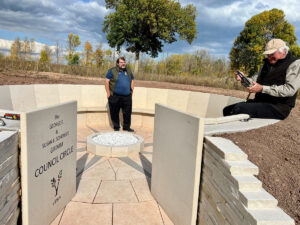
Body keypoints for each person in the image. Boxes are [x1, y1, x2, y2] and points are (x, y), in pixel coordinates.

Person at [223, 38, 300, 120]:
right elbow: (254, 81)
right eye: (267, 54)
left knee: (238, 109)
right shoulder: (266, 63)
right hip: (261, 102)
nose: (269, 57)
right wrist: (243, 79)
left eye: (272, 54)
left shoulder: (295, 63)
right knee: (227, 110)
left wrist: (262, 88)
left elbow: (290, 90)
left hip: (279, 107)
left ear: (284, 51)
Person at [105, 57, 135, 132]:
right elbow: (106, 81)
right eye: (121, 62)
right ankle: (116, 127)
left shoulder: (128, 70)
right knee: (114, 112)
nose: (123, 63)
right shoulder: (112, 71)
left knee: (127, 113)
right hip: (115, 96)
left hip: (127, 96)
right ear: (117, 63)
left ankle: (126, 127)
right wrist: (108, 93)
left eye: (124, 62)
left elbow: (132, 80)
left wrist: (131, 91)